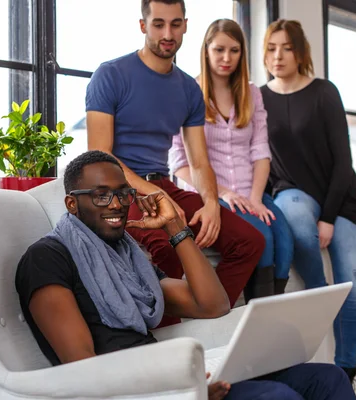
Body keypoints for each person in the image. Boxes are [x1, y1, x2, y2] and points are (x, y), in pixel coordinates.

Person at [15, 150, 356, 400]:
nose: (117, 204)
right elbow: (84, 370)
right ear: (72, 204)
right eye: (101, 195)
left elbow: (212, 304)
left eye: (123, 193)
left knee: (327, 379)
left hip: (175, 378)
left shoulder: (126, 256)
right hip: (149, 392)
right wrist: (184, 390)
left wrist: (175, 227)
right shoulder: (47, 258)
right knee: (277, 397)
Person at [85, 0, 264, 322]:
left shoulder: (188, 89)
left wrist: (211, 202)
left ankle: (207, 319)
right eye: (158, 24)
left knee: (249, 241)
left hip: (163, 183)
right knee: (167, 246)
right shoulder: (110, 75)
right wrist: (154, 195)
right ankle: (168, 336)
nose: (168, 33)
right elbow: (100, 156)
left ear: (185, 25)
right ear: (143, 26)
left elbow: (199, 161)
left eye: (176, 24)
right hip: (118, 189)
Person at [259, 19, 356, 383]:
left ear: (300, 52)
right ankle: (328, 301)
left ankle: (345, 372)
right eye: (272, 47)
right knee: (294, 215)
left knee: (354, 290)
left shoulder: (324, 92)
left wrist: (330, 216)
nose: (278, 56)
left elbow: (343, 161)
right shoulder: (258, 97)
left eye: (287, 48)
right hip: (292, 192)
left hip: (339, 198)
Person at [169, 19, 293, 301]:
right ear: (206, 51)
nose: (226, 58)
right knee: (264, 242)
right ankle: (259, 314)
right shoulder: (188, 92)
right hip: (215, 195)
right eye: (219, 50)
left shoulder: (252, 93)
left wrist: (256, 198)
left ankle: (272, 310)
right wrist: (222, 192)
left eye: (234, 51)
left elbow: (260, 151)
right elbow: (179, 163)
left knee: (286, 242)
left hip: (253, 192)